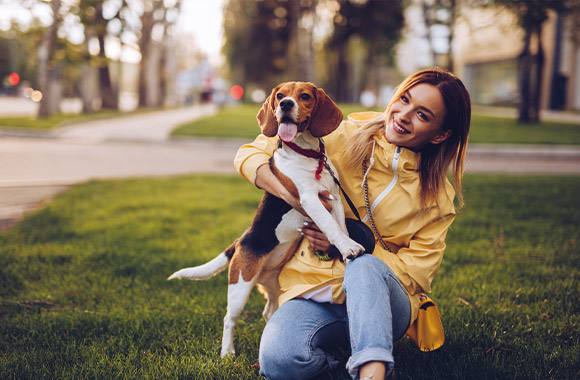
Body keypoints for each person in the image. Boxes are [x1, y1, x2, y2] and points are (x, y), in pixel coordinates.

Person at [234, 68, 471, 379]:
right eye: (404, 100)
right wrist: (292, 195)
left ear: (440, 134)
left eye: (423, 115)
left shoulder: (439, 198)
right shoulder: (342, 133)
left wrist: (349, 243)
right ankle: (342, 358)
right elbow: (251, 153)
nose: (403, 115)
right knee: (279, 361)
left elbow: (417, 274)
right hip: (314, 291)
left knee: (362, 263)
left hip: (386, 304)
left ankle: (372, 370)